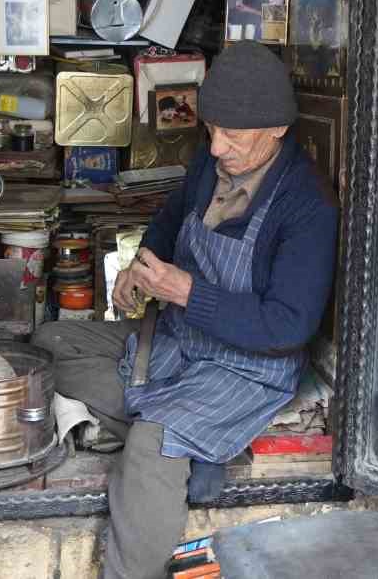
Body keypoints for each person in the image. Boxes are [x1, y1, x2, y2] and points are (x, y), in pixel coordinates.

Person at [34, 43, 337, 579]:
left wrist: (187, 293)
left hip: (248, 367)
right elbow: (171, 218)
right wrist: (142, 266)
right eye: (212, 130)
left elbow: (288, 326)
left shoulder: (307, 205)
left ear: (277, 129)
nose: (217, 147)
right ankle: (198, 443)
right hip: (180, 341)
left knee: (149, 446)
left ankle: (169, 445)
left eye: (232, 136)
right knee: (51, 344)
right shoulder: (212, 163)